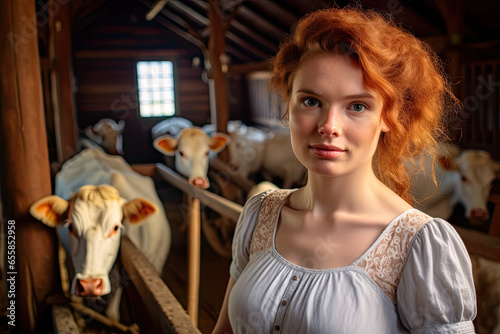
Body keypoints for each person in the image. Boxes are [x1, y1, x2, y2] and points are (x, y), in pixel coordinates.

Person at [213, 6, 476, 334]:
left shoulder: (419, 245)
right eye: (311, 101)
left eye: (357, 106)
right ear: (287, 105)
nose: (329, 126)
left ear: (387, 119)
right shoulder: (260, 213)